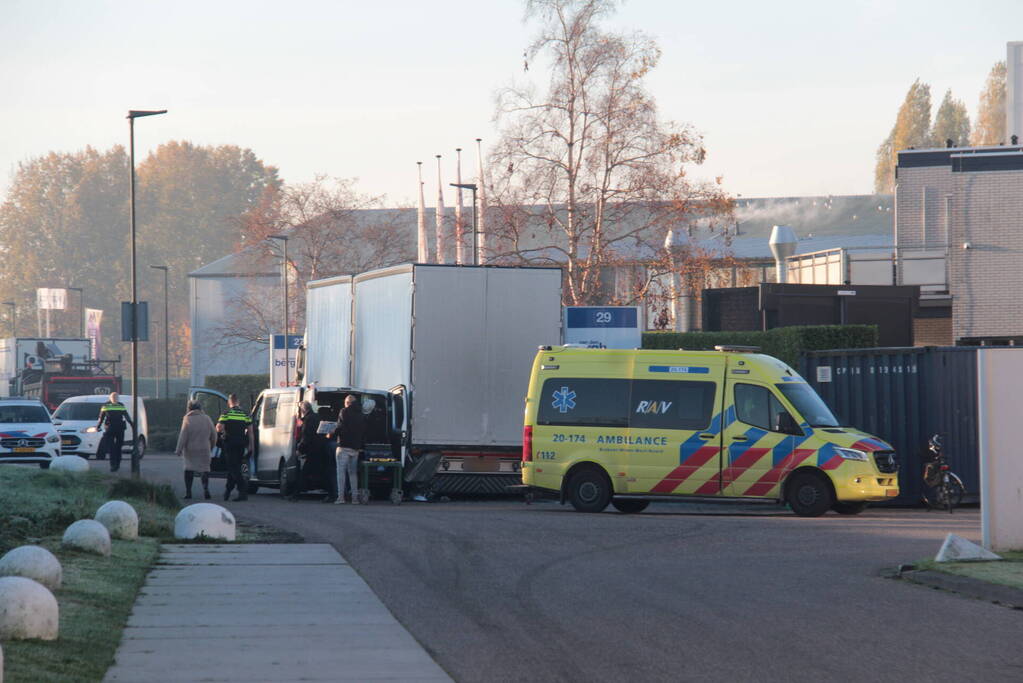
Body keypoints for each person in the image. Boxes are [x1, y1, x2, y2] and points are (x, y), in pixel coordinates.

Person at [175, 400, 217, 500]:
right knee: (205, 470)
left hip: (190, 450)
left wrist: (179, 449)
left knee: (188, 470)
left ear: (189, 408)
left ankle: (188, 492)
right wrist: (212, 445)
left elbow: (183, 435)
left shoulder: (187, 419)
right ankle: (206, 488)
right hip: (204, 448)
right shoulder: (207, 418)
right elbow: (214, 434)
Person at [329, 394, 365, 505]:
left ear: (348, 403)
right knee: (353, 474)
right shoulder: (361, 414)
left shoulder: (344, 411)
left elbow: (340, 427)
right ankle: (354, 498)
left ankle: (341, 497)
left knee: (341, 473)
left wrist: (331, 434)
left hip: (344, 446)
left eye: (345, 403)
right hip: (355, 448)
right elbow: (364, 431)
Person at [217, 394, 252, 502]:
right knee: (234, 467)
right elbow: (250, 432)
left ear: (229, 402)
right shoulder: (245, 414)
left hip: (230, 444)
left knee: (233, 468)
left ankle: (242, 491)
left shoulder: (226, 414)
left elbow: (219, 427)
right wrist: (251, 446)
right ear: (238, 402)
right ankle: (227, 491)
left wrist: (221, 432)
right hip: (241, 444)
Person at [95, 392, 135, 472]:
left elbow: (101, 418)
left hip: (110, 429)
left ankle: (113, 465)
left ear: (110, 398)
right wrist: (132, 425)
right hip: (120, 429)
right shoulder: (121, 405)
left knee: (112, 448)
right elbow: (127, 416)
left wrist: (98, 427)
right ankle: (117, 464)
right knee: (118, 448)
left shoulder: (105, 405)